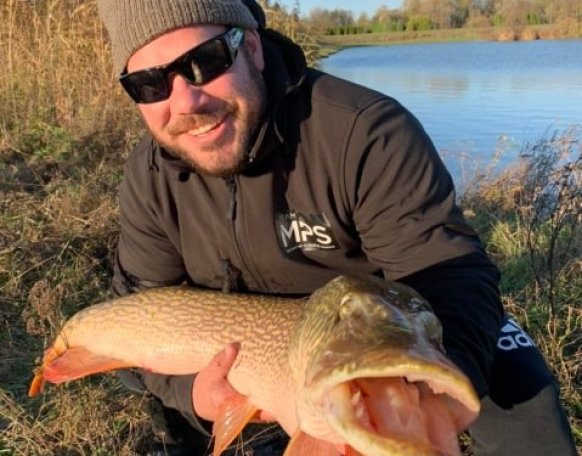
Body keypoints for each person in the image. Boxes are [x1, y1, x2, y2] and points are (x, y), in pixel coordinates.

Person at [95, 0, 577, 455]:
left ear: (253, 49)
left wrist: (412, 392)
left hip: (375, 322)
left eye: (206, 60)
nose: (186, 102)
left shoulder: (365, 131)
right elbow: (139, 309)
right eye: (149, 84)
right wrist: (194, 395)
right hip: (248, 340)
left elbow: (449, 273)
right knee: (159, 390)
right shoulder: (149, 178)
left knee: (521, 392)